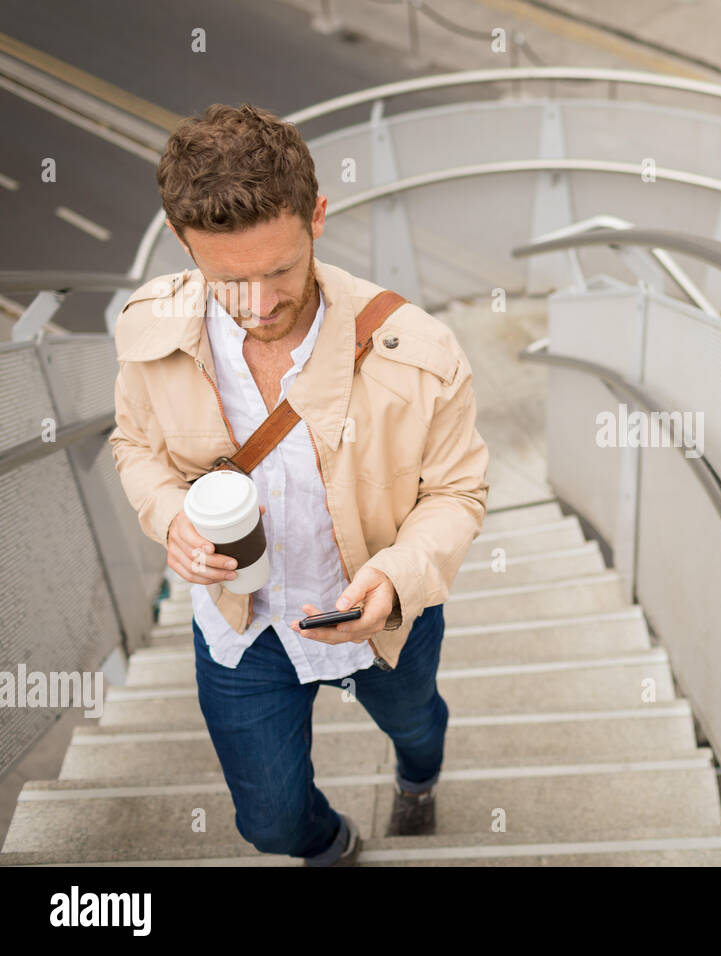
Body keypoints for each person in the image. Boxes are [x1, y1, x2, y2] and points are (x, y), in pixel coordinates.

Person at [108, 103, 490, 866]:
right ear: (182, 241)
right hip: (242, 628)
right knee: (273, 828)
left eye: (279, 270)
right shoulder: (149, 330)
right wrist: (169, 515)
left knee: (417, 726)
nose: (259, 305)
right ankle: (333, 846)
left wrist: (398, 577)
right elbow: (135, 446)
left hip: (383, 615)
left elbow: (457, 493)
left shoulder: (420, 350)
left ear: (317, 215)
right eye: (228, 281)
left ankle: (418, 777)